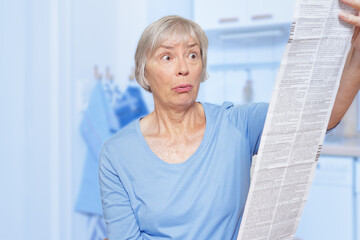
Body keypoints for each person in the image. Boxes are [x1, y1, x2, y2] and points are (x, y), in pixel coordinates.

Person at [99, 1, 360, 238]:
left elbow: (317, 118)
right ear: (143, 71)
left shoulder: (237, 124)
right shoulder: (116, 154)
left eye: (192, 54)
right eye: (167, 57)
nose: (184, 68)